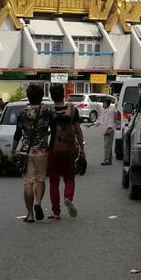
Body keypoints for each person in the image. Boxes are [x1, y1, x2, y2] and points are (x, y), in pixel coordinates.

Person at [11, 84, 51, 222]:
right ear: (41, 97)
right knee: (40, 179)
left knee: (28, 182)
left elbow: (17, 134)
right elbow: (55, 129)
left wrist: (12, 150)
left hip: (26, 152)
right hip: (42, 151)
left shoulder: (22, 113)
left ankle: (29, 214)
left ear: (28, 96)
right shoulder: (47, 111)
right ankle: (38, 202)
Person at [46, 83, 85, 219]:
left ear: (51, 96)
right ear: (63, 94)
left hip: (54, 149)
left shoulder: (49, 111)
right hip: (69, 149)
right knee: (69, 177)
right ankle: (68, 197)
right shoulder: (72, 109)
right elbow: (78, 131)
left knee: (54, 181)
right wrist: (82, 149)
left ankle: (56, 212)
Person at [98, 98, 117, 166]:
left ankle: (106, 160)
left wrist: (107, 130)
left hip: (109, 130)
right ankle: (109, 160)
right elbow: (102, 119)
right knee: (108, 145)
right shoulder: (105, 110)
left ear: (107, 104)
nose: (103, 104)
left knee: (107, 146)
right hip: (106, 130)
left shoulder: (110, 111)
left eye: (104, 103)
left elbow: (110, 122)